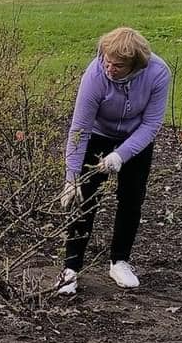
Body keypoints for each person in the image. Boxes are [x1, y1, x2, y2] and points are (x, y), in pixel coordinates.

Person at [57, 25, 171, 296]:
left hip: (136, 138)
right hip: (98, 135)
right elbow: (80, 128)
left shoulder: (157, 73)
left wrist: (121, 155)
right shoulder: (95, 74)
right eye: (107, 62)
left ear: (135, 64)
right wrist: (72, 177)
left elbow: (151, 124)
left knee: (131, 199)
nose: (110, 69)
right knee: (84, 199)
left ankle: (119, 261)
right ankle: (71, 268)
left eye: (118, 66)